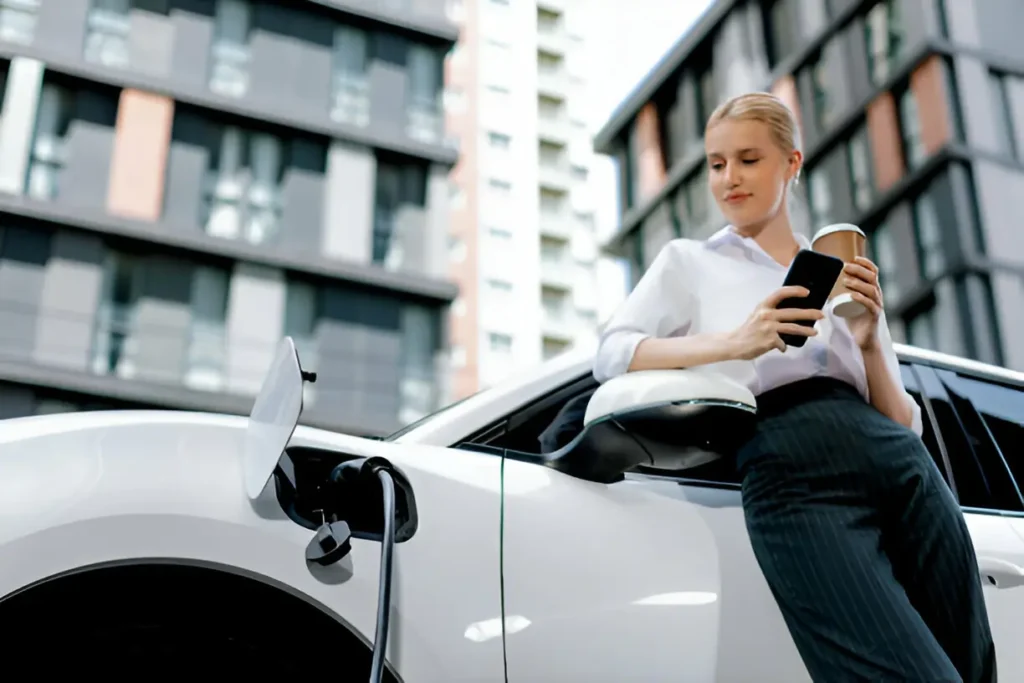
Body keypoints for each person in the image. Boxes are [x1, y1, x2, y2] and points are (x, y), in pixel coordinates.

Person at [593, 92, 996, 682]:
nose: (728, 178)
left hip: (902, 465)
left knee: (973, 671)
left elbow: (902, 421)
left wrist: (865, 338)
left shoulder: (840, 272)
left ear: (792, 163)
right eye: (716, 163)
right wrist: (739, 341)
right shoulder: (689, 262)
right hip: (793, 467)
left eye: (748, 159)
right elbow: (612, 354)